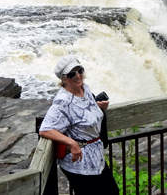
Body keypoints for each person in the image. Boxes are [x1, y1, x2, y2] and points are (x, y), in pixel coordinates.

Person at [39, 56, 119, 195]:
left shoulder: (84, 88)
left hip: (96, 156)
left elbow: (84, 111)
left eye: (80, 70)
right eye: (72, 74)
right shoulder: (63, 102)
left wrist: (97, 108)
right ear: (63, 79)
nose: (78, 76)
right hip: (80, 162)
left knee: (112, 191)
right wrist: (71, 143)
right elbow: (45, 129)